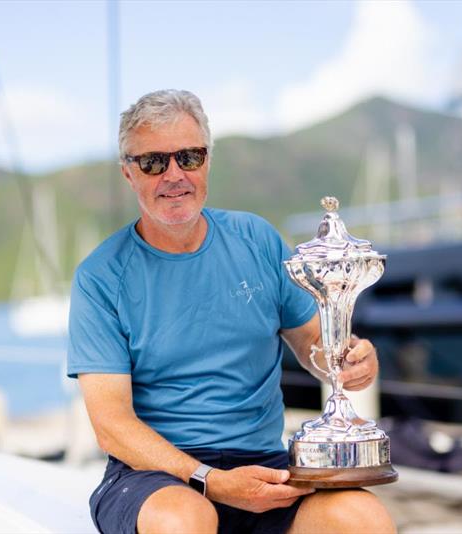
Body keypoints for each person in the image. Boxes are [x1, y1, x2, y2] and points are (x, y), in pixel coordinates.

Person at [68, 89, 396, 534]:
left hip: (265, 468)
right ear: (128, 172)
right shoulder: (102, 276)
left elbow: (314, 345)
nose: (174, 175)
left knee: (363, 520)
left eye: (189, 157)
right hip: (155, 477)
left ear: (207, 161)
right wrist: (211, 481)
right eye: (153, 162)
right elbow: (112, 424)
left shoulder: (256, 239)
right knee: (186, 521)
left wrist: (348, 361)